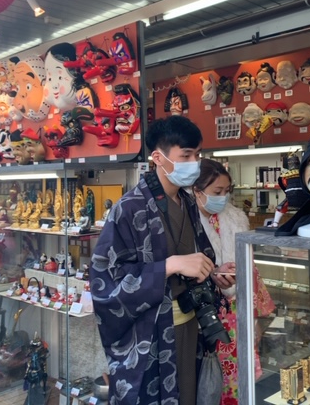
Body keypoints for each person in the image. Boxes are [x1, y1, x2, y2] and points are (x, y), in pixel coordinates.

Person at [90, 115, 235, 405]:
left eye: (197, 155)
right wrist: (170, 266)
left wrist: (213, 272)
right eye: (186, 155)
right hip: (153, 333)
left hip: (190, 324)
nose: (194, 162)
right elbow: (105, 280)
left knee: (188, 394)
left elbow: (196, 256)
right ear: (158, 157)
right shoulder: (129, 208)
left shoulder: (188, 201)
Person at [192, 159, 275, 404]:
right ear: (197, 191)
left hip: (236, 314)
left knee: (239, 376)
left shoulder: (235, 219)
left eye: (227, 191)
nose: (223, 197)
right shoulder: (187, 223)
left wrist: (254, 316)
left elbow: (251, 270)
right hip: (205, 316)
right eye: (217, 191)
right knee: (208, 379)